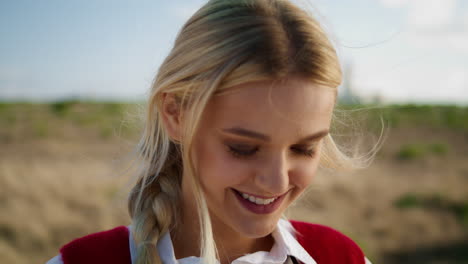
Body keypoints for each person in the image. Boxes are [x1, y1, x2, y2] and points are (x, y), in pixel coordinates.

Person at [47, 0, 375, 263]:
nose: (276, 182)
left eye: (304, 149)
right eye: (243, 148)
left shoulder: (341, 256)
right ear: (175, 115)